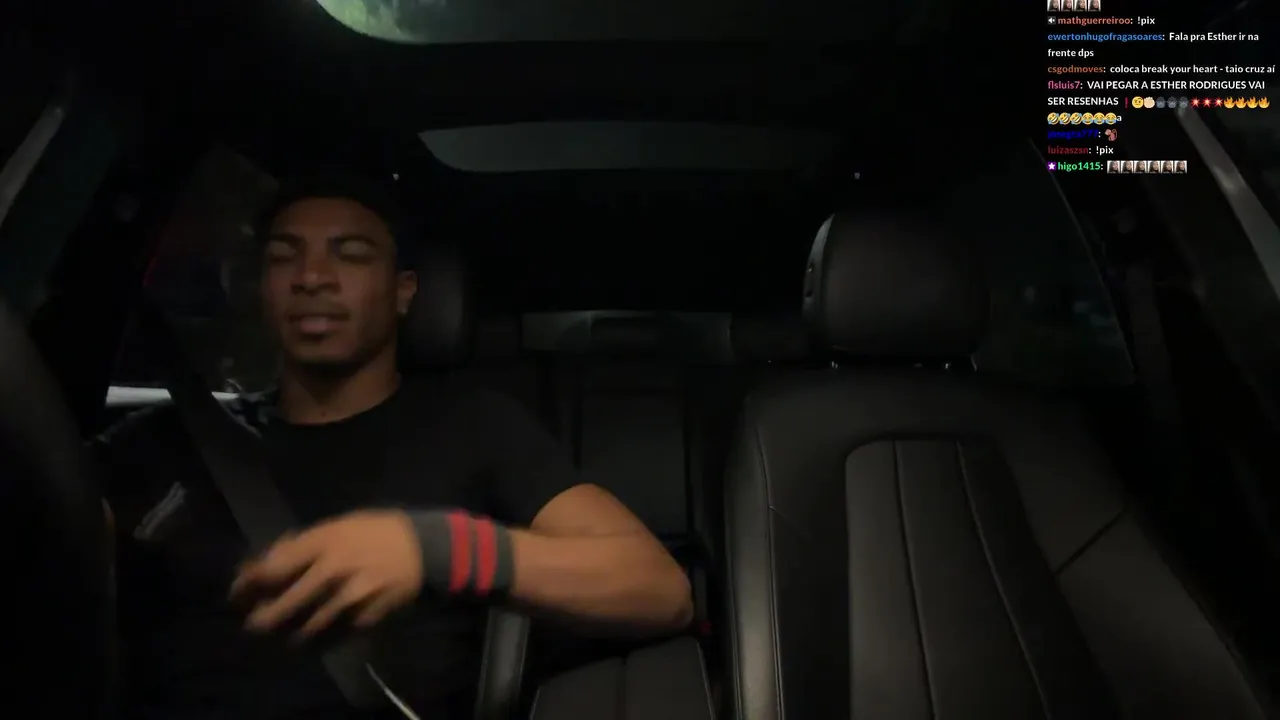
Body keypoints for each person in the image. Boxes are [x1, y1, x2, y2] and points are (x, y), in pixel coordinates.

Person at [95, 175, 693, 719]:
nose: (312, 277)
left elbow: (658, 589)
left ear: (404, 291)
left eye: (350, 254)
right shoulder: (162, 439)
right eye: (284, 256)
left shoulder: (472, 426)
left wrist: (436, 548)